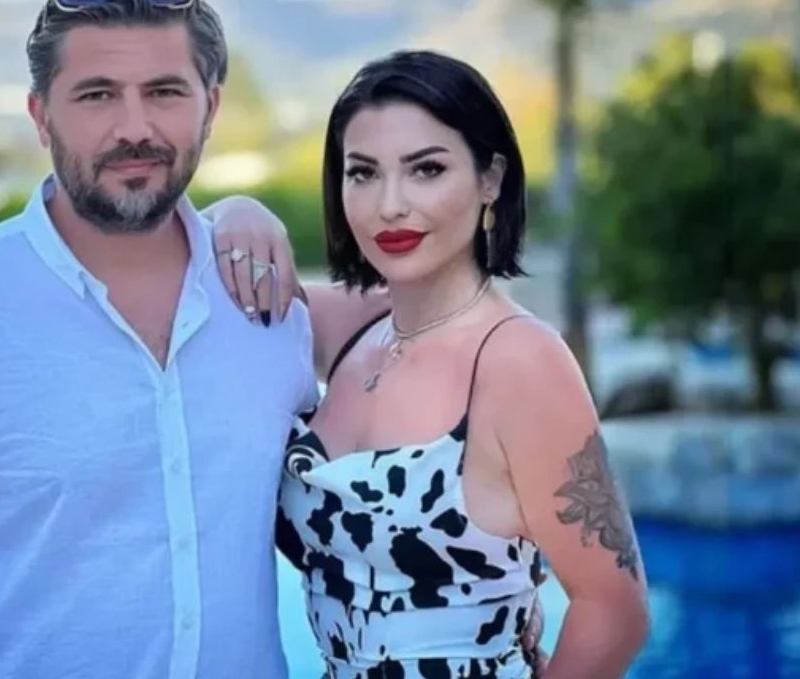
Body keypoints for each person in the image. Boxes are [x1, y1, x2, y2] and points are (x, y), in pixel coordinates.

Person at [0, 0, 550, 678]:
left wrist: (500, 584)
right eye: (97, 95)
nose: (134, 128)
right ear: (40, 116)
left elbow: (454, 329)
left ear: (211, 107)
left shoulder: (268, 305)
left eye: (165, 92)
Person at [207, 51, 650, 677]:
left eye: (427, 169)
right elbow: (205, 291)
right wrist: (235, 211)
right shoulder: (351, 327)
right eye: (363, 173)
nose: (390, 205)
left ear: (491, 178)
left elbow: (615, 610)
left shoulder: (521, 362)